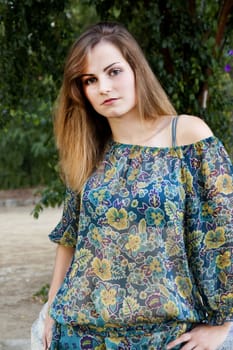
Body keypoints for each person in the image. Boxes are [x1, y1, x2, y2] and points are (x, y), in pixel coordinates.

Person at [43, 22, 233, 350]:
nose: (104, 87)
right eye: (90, 80)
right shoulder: (89, 151)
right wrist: (50, 311)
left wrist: (224, 323)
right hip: (79, 335)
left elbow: (224, 233)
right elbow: (70, 237)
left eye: (113, 71)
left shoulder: (187, 135)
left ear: (136, 69)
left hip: (165, 336)